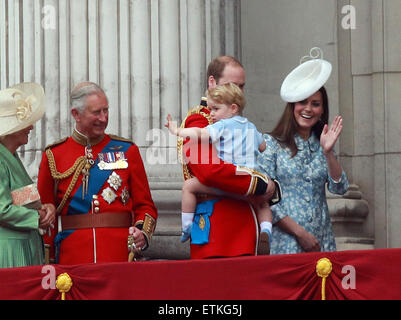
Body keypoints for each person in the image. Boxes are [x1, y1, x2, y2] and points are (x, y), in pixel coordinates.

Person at [37, 82, 157, 265]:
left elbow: (145, 205)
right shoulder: (54, 155)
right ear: (75, 114)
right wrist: (49, 261)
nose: (104, 118)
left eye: (106, 110)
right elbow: (46, 217)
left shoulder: (127, 150)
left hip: (119, 255)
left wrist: (141, 232)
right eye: (96, 112)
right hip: (73, 257)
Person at [178, 56, 281, 258]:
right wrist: (259, 183)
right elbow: (210, 172)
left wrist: (269, 184)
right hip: (216, 226)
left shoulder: (241, 123)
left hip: (246, 223)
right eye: (232, 85)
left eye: (242, 87)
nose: (237, 93)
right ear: (212, 83)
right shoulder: (198, 121)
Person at [258, 49, 349, 254]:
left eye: (315, 104)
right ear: (292, 106)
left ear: (322, 110)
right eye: (302, 102)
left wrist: (329, 152)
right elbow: (264, 197)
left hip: (322, 242)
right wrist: (300, 233)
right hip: (286, 243)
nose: (308, 109)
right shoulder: (271, 144)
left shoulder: (322, 144)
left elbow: (340, 188)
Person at [0, 82, 55, 268]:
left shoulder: (11, 157)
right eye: (24, 123)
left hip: (24, 247)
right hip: (10, 252)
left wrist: (44, 208)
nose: (31, 127)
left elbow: (18, 198)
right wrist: (37, 217)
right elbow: (2, 209)